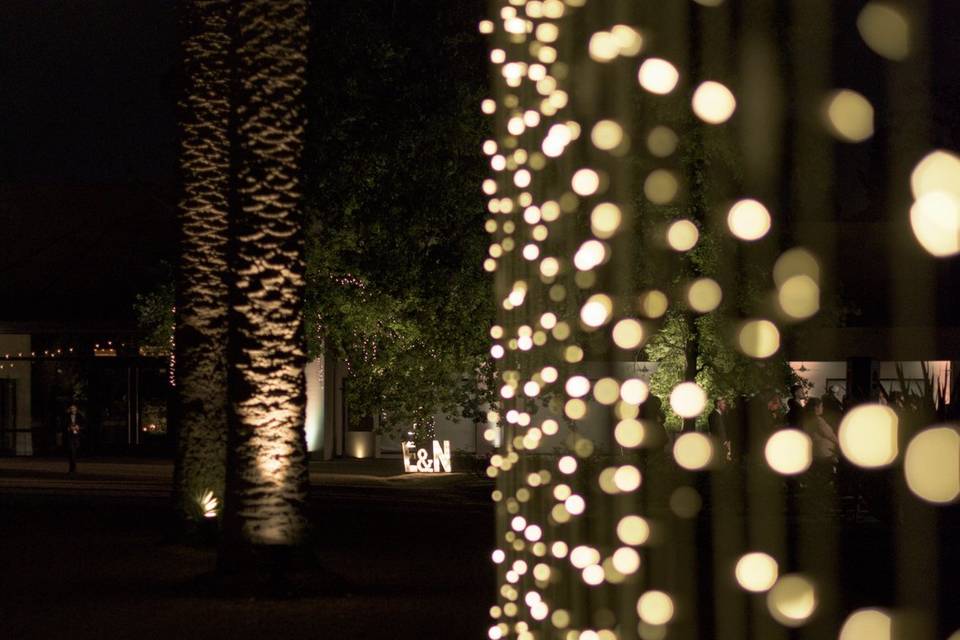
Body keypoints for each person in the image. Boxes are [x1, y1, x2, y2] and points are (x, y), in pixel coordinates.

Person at [803, 398, 839, 462]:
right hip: (826, 452)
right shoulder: (818, 420)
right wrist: (839, 444)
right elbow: (830, 435)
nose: (823, 408)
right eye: (821, 406)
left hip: (815, 451)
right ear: (816, 408)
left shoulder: (806, 420)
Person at [64, 404, 83, 473]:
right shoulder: (66, 416)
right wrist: (69, 427)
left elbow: (84, 424)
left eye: (74, 408)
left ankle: (72, 466)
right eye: (71, 408)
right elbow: (63, 424)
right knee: (72, 451)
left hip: (77, 436)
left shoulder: (80, 416)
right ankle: (72, 467)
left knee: (75, 451)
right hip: (70, 436)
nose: (72, 410)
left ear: (76, 409)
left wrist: (79, 427)